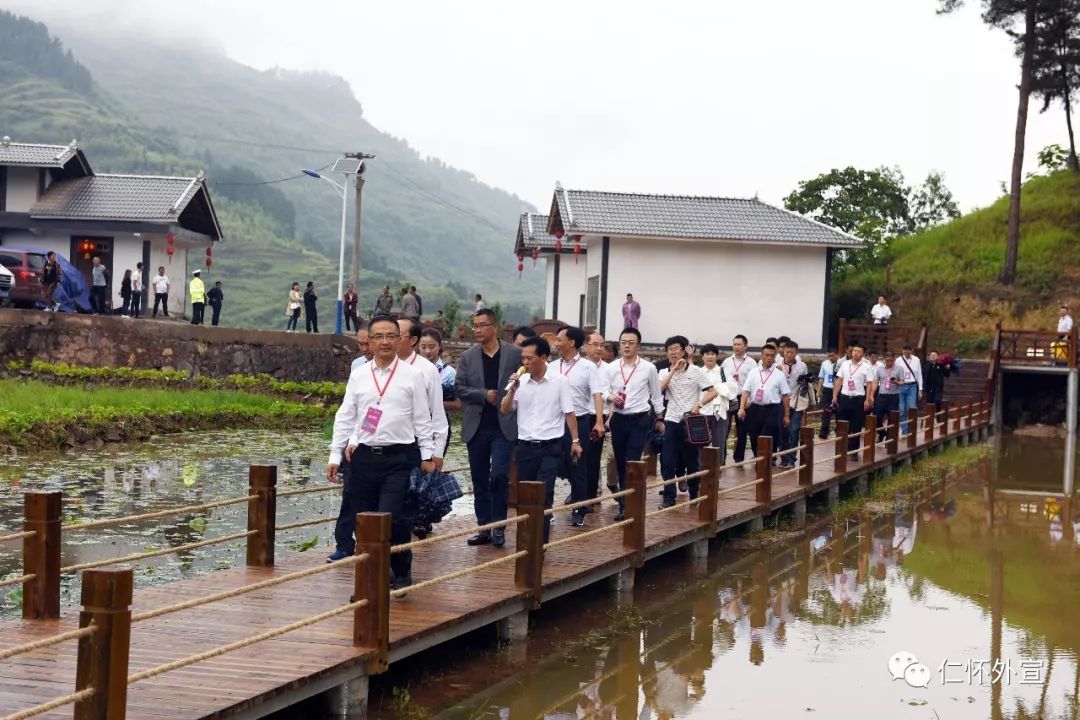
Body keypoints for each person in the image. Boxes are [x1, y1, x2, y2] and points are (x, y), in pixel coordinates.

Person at [326, 315, 434, 591]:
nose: (385, 341)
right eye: (378, 337)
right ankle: (373, 577)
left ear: (399, 340)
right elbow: (346, 416)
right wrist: (335, 455)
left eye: (390, 336)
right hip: (363, 458)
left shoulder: (414, 375)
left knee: (391, 516)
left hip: (399, 457)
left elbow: (423, 418)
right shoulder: (359, 375)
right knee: (364, 520)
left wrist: (427, 455)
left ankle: (400, 568)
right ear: (369, 342)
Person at [455, 308, 523, 547]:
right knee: (480, 479)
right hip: (477, 426)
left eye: (482, 325)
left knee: (499, 476)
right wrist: (483, 394)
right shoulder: (468, 357)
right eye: (474, 326)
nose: (477, 330)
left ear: (494, 326)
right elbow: (459, 388)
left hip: (504, 426)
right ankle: (484, 527)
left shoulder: (514, 354)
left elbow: (525, 381)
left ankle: (499, 526)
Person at [502, 336, 579, 543]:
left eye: (529, 358)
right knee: (525, 495)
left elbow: (569, 412)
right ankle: (525, 539)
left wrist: (575, 441)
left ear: (544, 357)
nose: (525, 363)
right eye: (523, 359)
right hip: (525, 446)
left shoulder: (559, 381)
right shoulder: (521, 382)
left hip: (550, 447)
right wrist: (512, 390)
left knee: (544, 494)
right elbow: (505, 408)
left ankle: (540, 543)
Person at [605, 327, 664, 521]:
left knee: (632, 459)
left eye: (631, 342)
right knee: (621, 461)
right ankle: (624, 502)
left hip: (639, 419)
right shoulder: (611, 367)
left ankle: (632, 504)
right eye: (623, 342)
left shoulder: (648, 368)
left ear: (638, 345)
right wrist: (611, 397)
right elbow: (603, 391)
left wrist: (659, 418)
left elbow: (656, 395)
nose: (627, 346)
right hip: (619, 419)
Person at [552, 326, 605, 526]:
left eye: (559, 339)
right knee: (554, 464)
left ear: (571, 342)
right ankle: (547, 511)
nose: (556, 343)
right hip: (554, 423)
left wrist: (599, 421)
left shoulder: (587, 367)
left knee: (578, 466)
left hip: (580, 422)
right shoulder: (551, 366)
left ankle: (579, 508)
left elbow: (597, 394)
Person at [658, 335, 717, 508]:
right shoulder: (663, 372)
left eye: (676, 349)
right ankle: (669, 498)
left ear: (684, 351)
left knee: (692, 462)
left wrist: (699, 404)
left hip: (689, 423)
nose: (673, 352)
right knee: (667, 462)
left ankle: (693, 493)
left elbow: (713, 391)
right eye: (670, 350)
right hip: (671, 420)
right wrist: (673, 369)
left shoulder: (696, 371)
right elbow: (660, 389)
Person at [396, 317, 449, 471]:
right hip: (384, 446)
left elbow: (437, 413)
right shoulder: (378, 368)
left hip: (416, 445)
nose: (389, 340)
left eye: (397, 336)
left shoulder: (427, 370)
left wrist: (437, 452)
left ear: (413, 340)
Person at [737, 344, 790, 459]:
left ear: (775, 357)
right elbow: (745, 391)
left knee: (767, 436)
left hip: (772, 409)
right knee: (754, 437)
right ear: (761, 356)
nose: (769, 358)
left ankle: (767, 461)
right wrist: (741, 408)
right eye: (766, 355)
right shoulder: (753, 372)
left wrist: (786, 415)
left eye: (772, 355)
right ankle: (759, 459)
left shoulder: (779, 375)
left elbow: (785, 396)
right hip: (754, 408)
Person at [832, 341, 875, 461]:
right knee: (842, 425)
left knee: (856, 426)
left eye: (858, 351)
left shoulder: (867, 367)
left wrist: (868, 399)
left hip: (858, 399)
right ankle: (841, 449)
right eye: (854, 351)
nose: (855, 353)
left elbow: (869, 383)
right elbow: (839, 380)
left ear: (863, 354)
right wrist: (835, 395)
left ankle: (854, 451)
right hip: (845, 397)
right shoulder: (845, 364)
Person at [699, 343, 736, 464]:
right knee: (699, 443)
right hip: (701, 412)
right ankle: (700, 470)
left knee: (719, 443)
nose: (710, 356)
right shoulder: (698, 372)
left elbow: (733, 387)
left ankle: (717, 470)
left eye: (713, 354)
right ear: (702, 357)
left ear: (717, 356)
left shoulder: (723, 371)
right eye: (707, 354)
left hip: (720, 413)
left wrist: (717, 388)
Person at [721, 335, 755, 463]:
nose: (736, 347)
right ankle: (722, 457)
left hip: (743, 398)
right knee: (725, 428)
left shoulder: (751, 363)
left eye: (739, 344)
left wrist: (749, 400)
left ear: (745, 346)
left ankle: (739, 457)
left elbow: (754, 382)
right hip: (729, 397)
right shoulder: (727, 362)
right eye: (734, 344)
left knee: (742, 430)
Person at [777, 342, 809, 469]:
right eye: (786, 352)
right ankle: (784, 459)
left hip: (795, 403)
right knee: (782, 431)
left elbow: (805, 385)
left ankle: (792, 459)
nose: (789, 354)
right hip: (780, 402)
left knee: (794, 430)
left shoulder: (802, 366)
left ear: (796, 353)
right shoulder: (777, 366)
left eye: (791, 352)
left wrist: (802, 397)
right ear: (783, 352)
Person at [419, 327, 461, 418]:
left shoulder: (449, 372)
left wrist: (432, 405)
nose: (427, 351)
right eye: (423, 347)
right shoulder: (412, 369)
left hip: (440, 422)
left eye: (432, 347)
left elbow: (458, 404)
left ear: (440, 346)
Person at [874, 351, 905, 441]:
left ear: (894, 360)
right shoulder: (879, 368)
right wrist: (872, 394)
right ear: (884, 360)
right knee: (877, 416)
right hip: (882, 396)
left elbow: (902, 382)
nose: (889, 363)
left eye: (891, 361)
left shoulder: (899, 369)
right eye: (887, 361)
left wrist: (896, 382)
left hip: (893, 396)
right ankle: (882, 432)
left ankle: (889, 437)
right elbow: (876, 381)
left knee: (892, 418)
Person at [897, 344, 923, 434]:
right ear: (902, 351)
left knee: (912, 407)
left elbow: (919, 374)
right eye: (904, 351)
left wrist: (920, 389)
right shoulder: (898, 360)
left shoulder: (916, 360)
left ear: (911, 351)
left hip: (912, 385)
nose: (906, 353)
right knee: (902, 409)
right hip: (901, 386)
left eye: (908, 351)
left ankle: (912, 430)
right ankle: (905, 430)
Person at [817, 348, 839, 440]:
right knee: (826, 411)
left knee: (838, 411)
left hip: (838, 390)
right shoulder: (825, 363)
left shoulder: (841, 363)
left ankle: (839, 430)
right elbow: (821, 378)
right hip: (827, 389)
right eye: (828, 356)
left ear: (837, 354)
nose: (830, 357)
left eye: (832, 355)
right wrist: (819, 390)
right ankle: (824, 432)